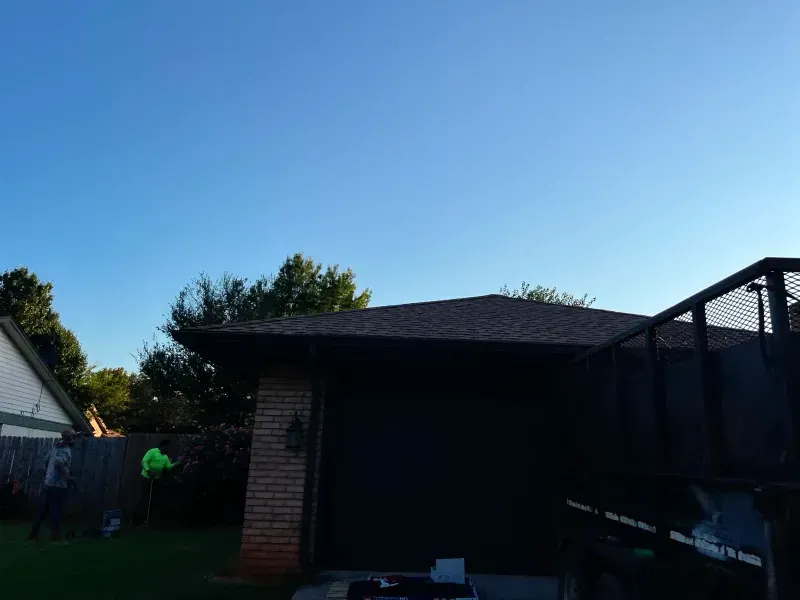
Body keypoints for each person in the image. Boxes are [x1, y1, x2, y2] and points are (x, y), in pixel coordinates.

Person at [29, 429, 78, 541]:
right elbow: (58, 463)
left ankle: (33, 534)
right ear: (70, 440)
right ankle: (55, 536)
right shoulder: (65, 450)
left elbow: (47, 460)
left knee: (42, 510)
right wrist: (67, 477)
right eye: (73, 438)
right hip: (58, 485)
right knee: (56, 510)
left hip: (48, 482)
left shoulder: (55, 447)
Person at [137, 439, 180, 524]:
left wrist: (176, 464)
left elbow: (168, 467)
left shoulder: (165, 457)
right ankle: (138, 519)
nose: (168, 450)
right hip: (147, 478)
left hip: (156, 479)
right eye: (167, 448)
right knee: (145, 498)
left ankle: (149, 519)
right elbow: (144, 461)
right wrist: (148, 470)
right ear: (162, 446)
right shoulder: (152, 451)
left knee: (153, 499)